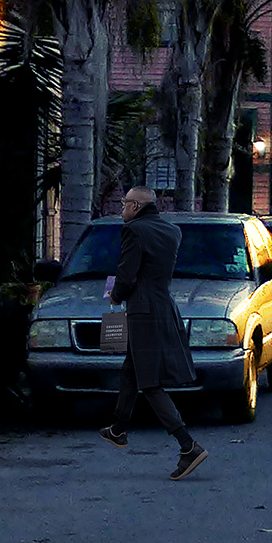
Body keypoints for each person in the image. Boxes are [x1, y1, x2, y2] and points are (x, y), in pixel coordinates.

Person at [100, 186, 208, 480]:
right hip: (163, 305)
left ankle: (188, 445)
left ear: (136, 206)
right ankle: (118, 429)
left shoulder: (133, 230)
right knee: (131, 370)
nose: (122, 208)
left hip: (142, 311)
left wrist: (115, 297)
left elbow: (127, 274)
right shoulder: (172, 231)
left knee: (149, 383)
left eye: (124, 203)